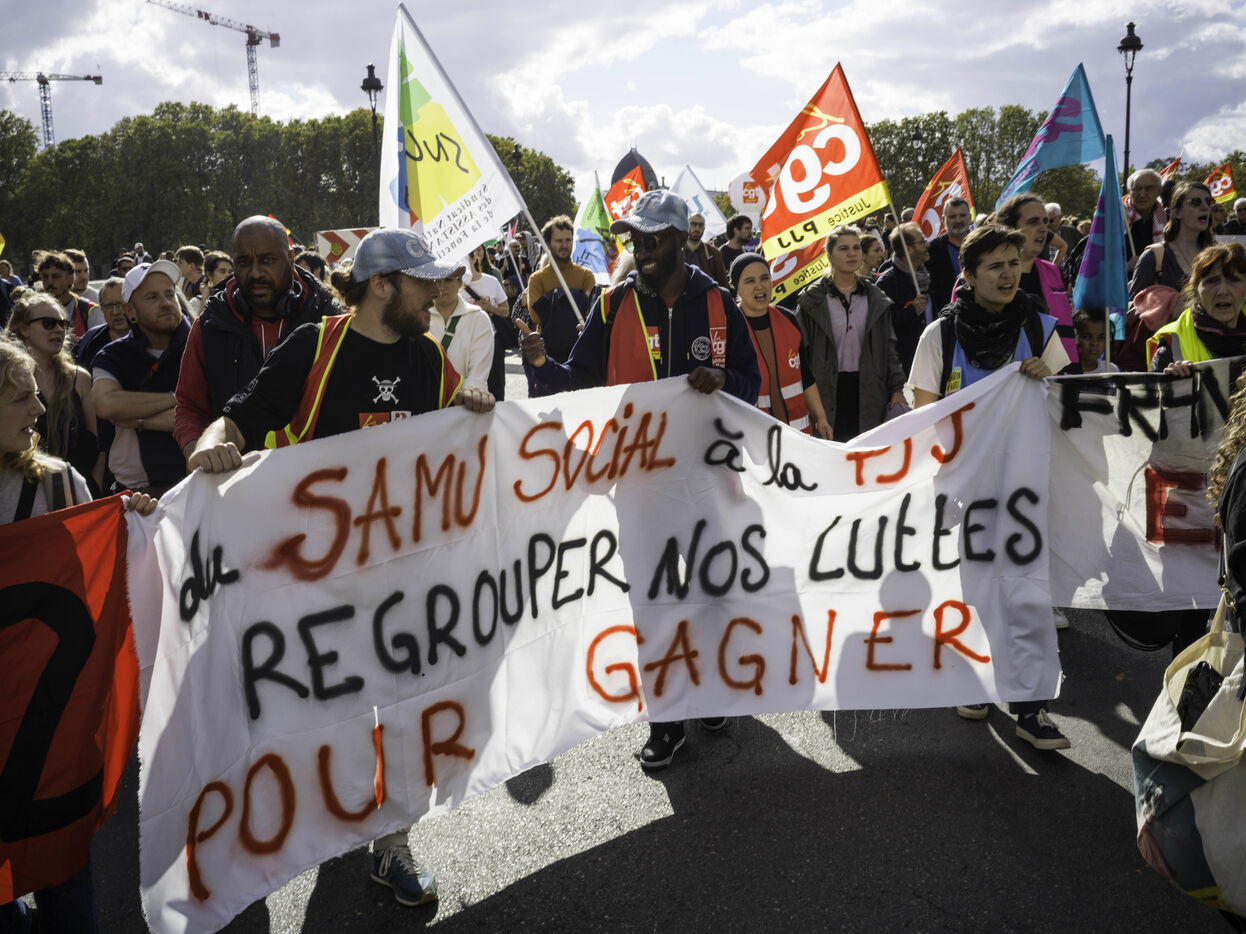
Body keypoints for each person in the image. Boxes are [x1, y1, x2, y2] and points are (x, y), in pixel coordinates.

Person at [187, 228, 492, 908]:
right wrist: (210, 444)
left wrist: (473, 410)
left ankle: (392, 844)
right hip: (318, 590)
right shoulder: (314, 346)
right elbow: (237, 419)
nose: (437, 295)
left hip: (403, 585)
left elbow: (455, 447)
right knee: (334, 722)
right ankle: (326, 827)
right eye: (424, 284)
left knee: (405, 715)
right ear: (381, 285)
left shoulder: (429, 356)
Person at [518, 189, 760, 771]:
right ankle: (667, 719)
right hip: (640, 485)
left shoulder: (718, 302)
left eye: (652, 240)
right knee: (652, 600)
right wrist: (541, 363)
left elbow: (751, 383)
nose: (641, 250)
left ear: (679, 240)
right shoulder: (613, 304)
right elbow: (580, 378)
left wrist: (723, 379)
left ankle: (711, 693)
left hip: (707, 481)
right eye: (636, 241)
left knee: (711, 593)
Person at [0, 337, 158, 934]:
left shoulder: (60, 485)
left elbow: (99, 585)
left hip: (51, 729)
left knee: (64, 879)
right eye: (22, 397)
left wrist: (133, 530)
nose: (40, 410)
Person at [907, 225, 1072, 750]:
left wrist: (1047, 381)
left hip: (1024, 491)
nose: (1007, 274)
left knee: (1026, 591)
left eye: (1013, 263)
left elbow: (1068, 412)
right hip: (963, 489)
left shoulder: (1039, 329)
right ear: (969, 274)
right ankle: (975, 680)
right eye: (995, 265)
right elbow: (923, 417)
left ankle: (1030, 706)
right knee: (971, 589)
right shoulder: (940, 336)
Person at [174, 216, 341, 457]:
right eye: (244, 262)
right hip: (237, 475)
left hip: (319, 472)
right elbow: (190, 407)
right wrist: (199, 453)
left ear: (290, 259)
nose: (255, 273)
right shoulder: (210, 325)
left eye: (268, 260)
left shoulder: (332, 320)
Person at [794, 226, 905, 440]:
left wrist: (897, 389)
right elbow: (800, 358)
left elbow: (889, 350)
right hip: (825, 393)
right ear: (829, 256)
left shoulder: (876, 299)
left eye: (856, 248)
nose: (852, 253)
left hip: (869, 392)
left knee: (865, 455)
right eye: (844, 249)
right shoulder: (811, 301)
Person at [91, 261, 188, 496]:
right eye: (152, 297)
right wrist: (178, 398)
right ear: (130, 311)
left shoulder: (202, 346)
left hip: (196, 489)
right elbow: (107, 404)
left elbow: (209, 416)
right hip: (136, 495)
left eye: (169, 294)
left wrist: (137, 420)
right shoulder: (112, 355)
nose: (165, 303)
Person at [3, 291, 103, 491]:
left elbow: (100, 444)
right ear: (24, 329)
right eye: (48, 323)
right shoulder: (9, 380)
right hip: (27, 491)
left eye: (62, 324)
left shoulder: (80, 378)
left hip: (82, 491)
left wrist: (95, 484)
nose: (58, 329)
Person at [731, 253, 832, 438]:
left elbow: (805, 376)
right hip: (755, 438)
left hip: (797, 435)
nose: (760, 286)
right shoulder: (729, 329)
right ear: (736, 288)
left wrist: (821, 417)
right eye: (750, 281)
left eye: (764, 278)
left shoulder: (788, 319)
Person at [997, 193, 1076, 361]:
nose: (1043, 229)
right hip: (1004, 373)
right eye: (1033, 222)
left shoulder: (1053, 272)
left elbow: (1066, 333)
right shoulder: (985, 275)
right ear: (1009, 228)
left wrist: (1071, 371)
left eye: (1045, 221)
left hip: (1056, 373)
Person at [1147, 243, 1246, 374]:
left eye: (1233, 280)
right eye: (1212, 281)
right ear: (1196, 291)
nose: (1222, 291)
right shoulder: (1172, 343)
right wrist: (1170, 381)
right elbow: (1155, 387)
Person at [1130, 181, 1216, 299]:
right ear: (1177, 212)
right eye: (1195, 202)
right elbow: (1135, 306)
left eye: (1209, 201)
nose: (1205, 207)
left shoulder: (1215, 257)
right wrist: (1172, 304)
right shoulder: (1153, 257)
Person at [876, 222, 931, 374]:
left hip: (933, 354)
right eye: (922, 242)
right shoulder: (887, 282)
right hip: (907, 365)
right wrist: (912, 311)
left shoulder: (928, 274)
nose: (927, 245)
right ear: (908, 249)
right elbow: (882, 324)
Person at [429, 267, 495, 394]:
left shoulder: (478, 318)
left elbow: (478, 375)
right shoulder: (418, 317)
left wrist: (465, 396)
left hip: (464, 400)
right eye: (437, 281)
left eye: (448, 280)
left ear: (460, 283)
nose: (442, 287)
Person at [465, 244, 513, 399]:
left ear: (474, 259)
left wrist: (490, 308)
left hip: (492, 341)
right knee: (469, 389)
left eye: (464, 258)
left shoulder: (491, 281)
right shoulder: (452, 286)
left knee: (495, 387)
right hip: (465, 343)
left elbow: (506, 311)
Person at [37, 251, 99, 340]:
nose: (49, 282)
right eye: (45, 276)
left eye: (56, 276)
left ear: (70, 278)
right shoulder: (34, 311)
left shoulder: (90, 311)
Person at [925, 197, 971, 312]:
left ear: (970, 217)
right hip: (946, 315)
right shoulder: (931, 250)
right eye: (952, 217)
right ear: (943, 219)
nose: (958, 220)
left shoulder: (983, 245)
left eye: (962, 215)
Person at [1123, 169, 1166, 271]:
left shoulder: (1168, 222)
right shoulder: (1115, 220)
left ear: (1159, 191)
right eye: (1137, 189)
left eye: (1149, 189)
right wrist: (1124, 268)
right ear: (1129, 191)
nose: (1142, 194)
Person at [684, 212, 730, 287]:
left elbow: (723, 284)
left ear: (704, 228)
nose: (697, 228)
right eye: (693, 224)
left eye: (700, 225)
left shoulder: (713, 253)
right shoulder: (675, 251)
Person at [1073, 308, 1118, 373]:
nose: (1094, 343)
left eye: (1101, 337)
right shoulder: (1063, 372)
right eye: (1086, 337)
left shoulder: (1111, 370)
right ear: (1075, 337)